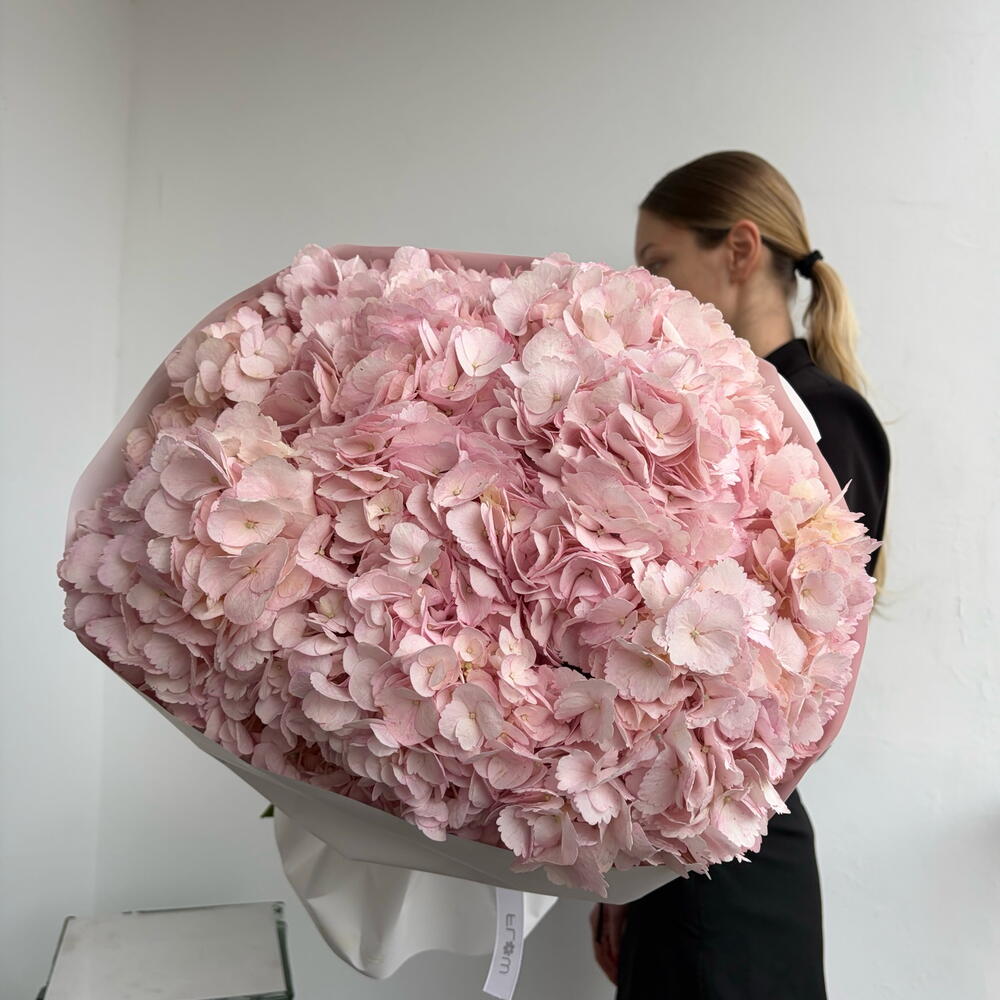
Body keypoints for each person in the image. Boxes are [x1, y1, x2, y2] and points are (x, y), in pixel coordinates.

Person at [589, 150, 891, 999]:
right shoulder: (714, 413)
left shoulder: (821, 415)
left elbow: (793, 676)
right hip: (679, 840)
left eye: (659, 264)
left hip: (734, 856)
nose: (647, 291)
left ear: (740, 249)